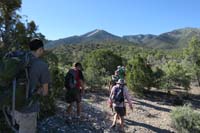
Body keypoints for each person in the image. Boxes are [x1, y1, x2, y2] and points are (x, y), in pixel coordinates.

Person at [14, 38, 51, 133]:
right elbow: (45, 92)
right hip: (28, 111)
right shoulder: (42, 65)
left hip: (13, 106)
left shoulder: (19, 60)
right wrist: (39, 91)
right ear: (40, 49)